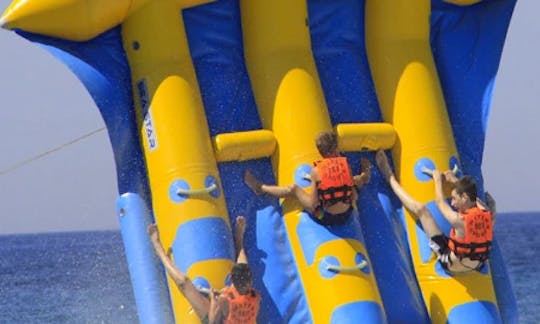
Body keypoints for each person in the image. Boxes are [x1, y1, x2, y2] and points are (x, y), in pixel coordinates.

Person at [375, 150, 494, 274]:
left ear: (464, 197)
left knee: (421, 210)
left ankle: (389, 176)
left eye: (454, 199)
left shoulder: (459, 220)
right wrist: (455, 182)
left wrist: (437, 180)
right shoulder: (486, 213)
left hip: (451, 264)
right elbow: (474, 199)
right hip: (477, 264)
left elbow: (440, 203)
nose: (452, 203)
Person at [244, 131, 371, 225]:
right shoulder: (346, 166)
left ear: (320, 152)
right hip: (347, 214)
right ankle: (365, 176)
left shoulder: (316, 172)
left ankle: (260, 188)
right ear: (336, 149)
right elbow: (351, 195)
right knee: (355, 181)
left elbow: (313, 203)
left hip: (324, 217)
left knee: (293, 189)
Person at [148, 216, 260, 323]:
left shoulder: (225, 300)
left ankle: (158, 247)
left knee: (184, 283)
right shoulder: (255, 297)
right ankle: (239, 240)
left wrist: (213, 301)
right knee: (243, 267)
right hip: (228, 311)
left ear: (231, 279)